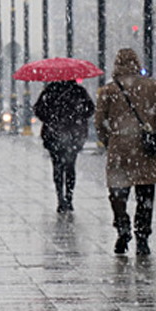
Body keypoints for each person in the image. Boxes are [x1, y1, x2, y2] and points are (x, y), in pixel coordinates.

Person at [94, 48, 156, 255]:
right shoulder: (154, 86)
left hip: (119, 149)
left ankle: (122, 227)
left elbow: (99, 122)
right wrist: (153, 129)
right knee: (145, 196)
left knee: (118, 193)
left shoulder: (109, 90)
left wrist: (109, 140)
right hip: (145, 151)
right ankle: (143, 237)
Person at [34, 80, 95, 213]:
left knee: (57, 167)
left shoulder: (50, 90)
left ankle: (60, 199)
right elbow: (90, 109)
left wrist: (51, 119)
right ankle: (69, 198)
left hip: (54, 134)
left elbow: (38, 110)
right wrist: (77, 117)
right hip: (73, 135)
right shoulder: (78, 91)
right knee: (70, 166)